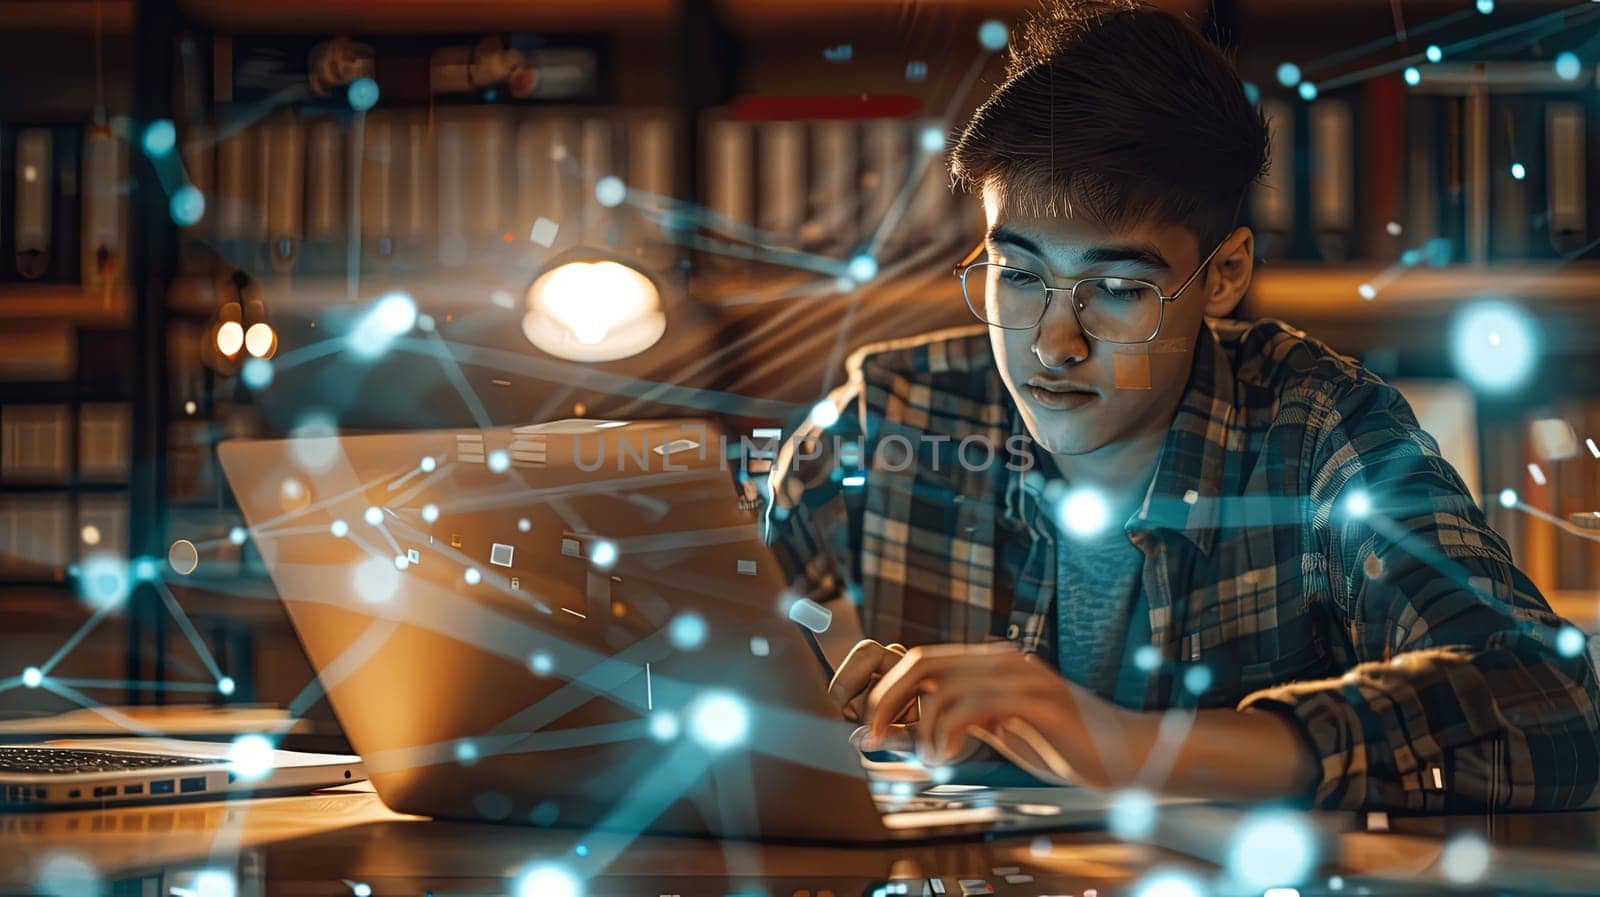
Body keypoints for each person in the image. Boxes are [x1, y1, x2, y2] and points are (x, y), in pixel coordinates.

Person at [764, 0, 1600, 811]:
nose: (1054, 343)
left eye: (1120, 289)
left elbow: (1556, 707)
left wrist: (1131, 747)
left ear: (1225, 275)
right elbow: (664, 650)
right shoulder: (888, 419)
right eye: (1017, 276)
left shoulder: (1315, 429)